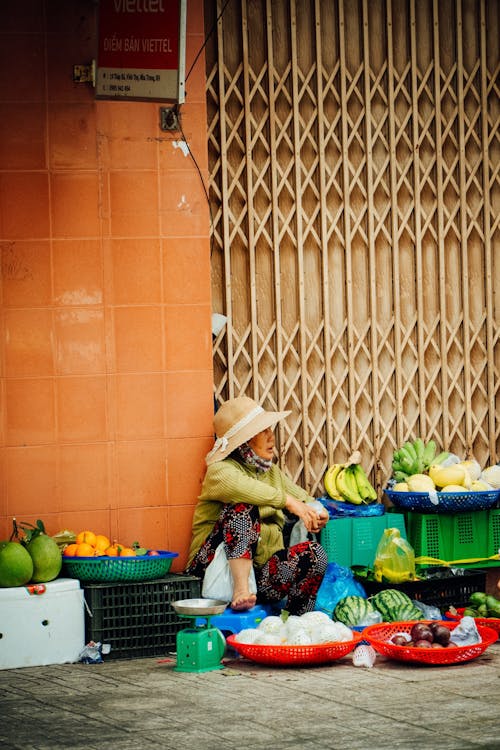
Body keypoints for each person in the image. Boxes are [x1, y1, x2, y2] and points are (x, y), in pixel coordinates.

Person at [185, 396, 329, 613]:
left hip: (260, 576)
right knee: (243, 508)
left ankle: (297, 622)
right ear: (244, 441)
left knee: (315, 554)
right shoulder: (220, 471)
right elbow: (249, 490)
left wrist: (317, 512)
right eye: (263, 432)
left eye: (270, 429)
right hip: (211, 571)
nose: (272, 437)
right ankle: (241, 590)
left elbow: (304, 498)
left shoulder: (270, 472)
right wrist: (289, 503)